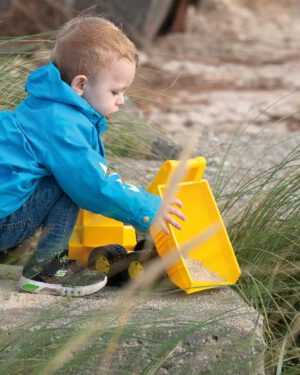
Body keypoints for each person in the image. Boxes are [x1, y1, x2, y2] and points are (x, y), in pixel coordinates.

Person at [0, 16, 186, 297]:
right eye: (115, 91)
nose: (121, 100)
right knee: (68, 183)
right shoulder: (61, 124)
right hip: (5, 224)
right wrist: (147, 208)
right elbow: (92, 186)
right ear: (80, 84)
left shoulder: (42, 106)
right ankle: (44, 268)